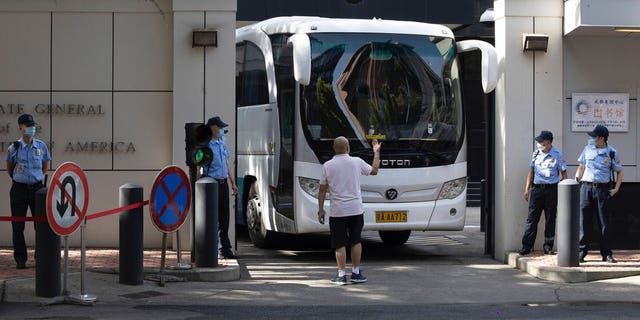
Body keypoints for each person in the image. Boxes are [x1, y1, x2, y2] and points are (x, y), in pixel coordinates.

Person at [318, 136, 381, 285]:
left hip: (337, 211)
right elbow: (374, 171)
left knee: (339, 243)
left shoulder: (327, 165)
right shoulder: (357, 162)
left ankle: (341, 275)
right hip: (355, 209)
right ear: (348, 148)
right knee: (355, 241)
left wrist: (320, 210)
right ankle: (356, 273)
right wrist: (376, 152)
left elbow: (322, 189)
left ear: (334, 148)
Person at [5, 114, 51, 269]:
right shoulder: (14, 148)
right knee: (18, 225)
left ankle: (41, 256)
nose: (31, 128)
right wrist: (21, 178)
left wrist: (35, 178)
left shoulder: (41, 146)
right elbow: (10, 169)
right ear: (20, 127)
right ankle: (20, 258)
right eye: (27, 125)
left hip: (37, 189)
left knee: (41, 225)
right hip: (19, 189)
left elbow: (45, 167)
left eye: (32, 125)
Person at [575, 125, 623, 263]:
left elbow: (620, 172)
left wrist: (616, 189)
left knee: (604, 223)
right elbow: (581, 166)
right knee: (584, 221)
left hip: (602, 190)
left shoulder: (612, 152)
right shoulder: (587, 149)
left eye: (594, 136)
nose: (591, 139)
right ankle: (581, 252)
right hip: (586, 188)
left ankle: (607, 254)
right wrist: (576, 180)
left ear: (601, 138)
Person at [518, 130, 567, 256]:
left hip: (551, 190)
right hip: (537, 190)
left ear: (549, 142)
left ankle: (548, 246)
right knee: (532, 219)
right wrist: (527, 189)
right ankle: (526, 246)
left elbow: (564, 173)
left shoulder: (557, 155)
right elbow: (531, 171)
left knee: (550, 218)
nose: (539, 144)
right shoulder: (536, 154)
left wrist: (563, 191)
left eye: (542, 142)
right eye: (538, 142)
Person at [204, 116, 238, 259]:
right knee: (214, 217)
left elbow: (227, 163)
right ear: (213, 128)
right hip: (212, 183)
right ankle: (215, 248)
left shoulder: (222, 142)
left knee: (225, 218)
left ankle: (225, 248)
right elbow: (201, 166)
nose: (222, 130)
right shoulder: (206, 145)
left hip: (223, 183)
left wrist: (233, 183)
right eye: (220, 127)